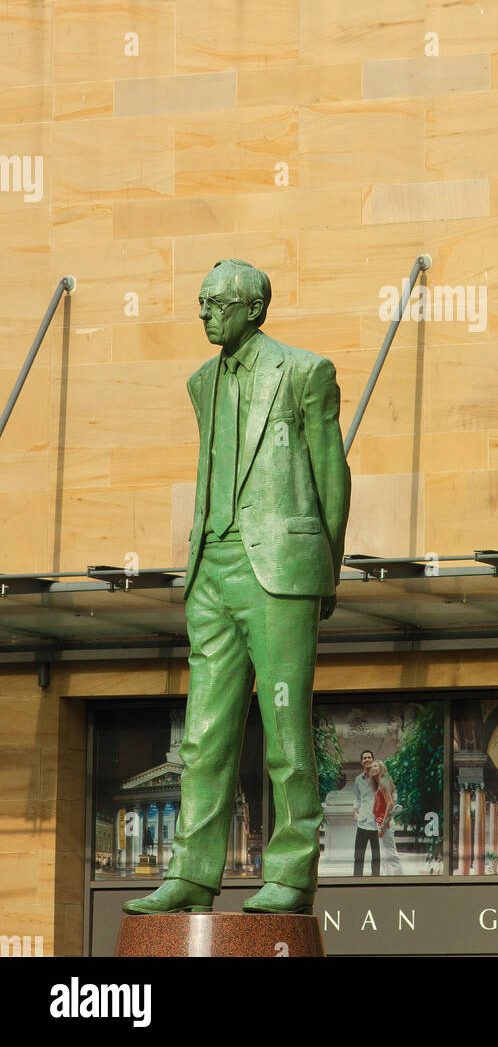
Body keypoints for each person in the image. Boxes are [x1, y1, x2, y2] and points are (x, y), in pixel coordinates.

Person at [122, 258, 351, 917]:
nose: (203, 312)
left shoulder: (305, 373)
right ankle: (191, 875)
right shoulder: (201, 383)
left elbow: (331, 475)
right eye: (200, 301)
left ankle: (291, 872)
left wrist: (326, 569)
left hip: (278, 572)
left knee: (284, 728)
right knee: (202, 735)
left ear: (254, 307)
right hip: (211, 571)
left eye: (216, 302)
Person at [370, 759, 403, 875]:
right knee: (386, 855)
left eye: (376, 766)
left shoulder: (384, 782)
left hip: (385, 824)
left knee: (391, 855)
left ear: (381, 769)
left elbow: (390, 804)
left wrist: (382, 826)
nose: (373, 768)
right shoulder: (381, 783)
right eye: (372, 767)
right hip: (382, 822)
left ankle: (400, 880)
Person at [353, 750, 379, 875]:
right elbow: (357, 797)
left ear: (373, 760)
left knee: (376, 857)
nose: (367, 759)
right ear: (362, 762)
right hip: (362, 821)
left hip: (376, 823)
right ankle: (356, 881)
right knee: (358, 855)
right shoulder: (358, 779)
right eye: (365, 758)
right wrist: (356, 812)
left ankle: (376, 882)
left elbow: (391, 792)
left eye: (369, 757)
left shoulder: (380, 777)